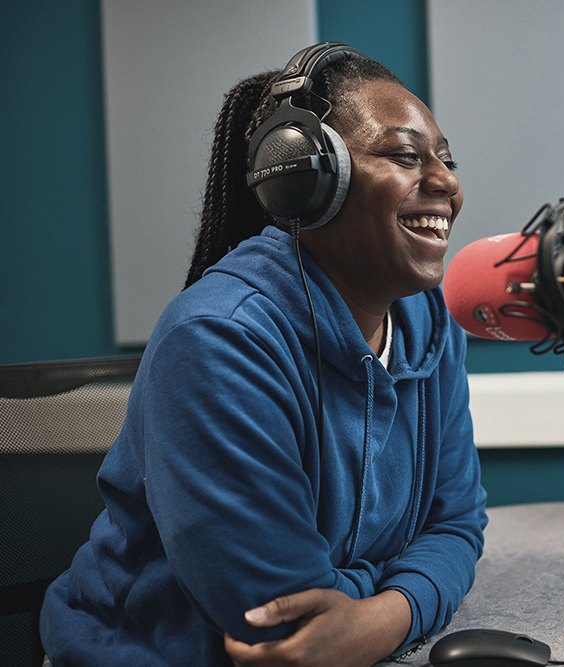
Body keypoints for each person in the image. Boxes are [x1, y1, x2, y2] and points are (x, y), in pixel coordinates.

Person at [39, 43, 488, 667]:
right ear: (306, 181)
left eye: (446, 160)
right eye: (405, 157)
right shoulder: (217, 342)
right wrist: (394, 586)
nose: (446, 183)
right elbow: (282, 627)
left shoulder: (430, 321)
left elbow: (459, 522)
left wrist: (377, 616)